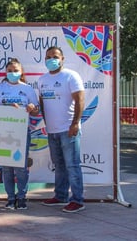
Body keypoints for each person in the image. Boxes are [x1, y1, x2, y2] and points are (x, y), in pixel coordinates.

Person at [37, 46, 85, 213]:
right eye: (48, 57)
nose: (51, 59)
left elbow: (80, 100)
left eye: (55, 56)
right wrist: (47, 124)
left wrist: (75, 124)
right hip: (52, 131)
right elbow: (43, 104)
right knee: (59, 165)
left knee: (72, 165)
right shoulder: (42, 80)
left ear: (62, 58)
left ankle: (77, 200)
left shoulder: (71, 76)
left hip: (68, 129)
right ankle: (60, 195)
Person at [0, 58, 39, 210]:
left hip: (22, 131)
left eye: (16, 70)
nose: (13, 73)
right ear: (6, 72)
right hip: (3, 132)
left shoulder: (28, 89)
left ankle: (22, 197)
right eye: (10, 71)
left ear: (21, 72)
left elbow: (36, 109)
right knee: (7, 167)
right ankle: (10, 198)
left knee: (21, 167)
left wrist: (31, 107)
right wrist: (8, 108)